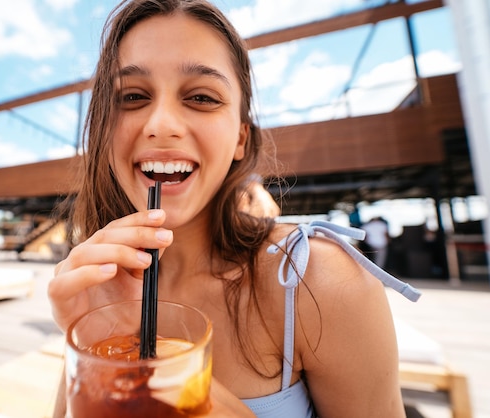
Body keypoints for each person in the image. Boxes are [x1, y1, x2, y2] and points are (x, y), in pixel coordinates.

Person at [48, 1, 420, 417]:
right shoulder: (100, 286)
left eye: (202, 97)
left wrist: (178, 384)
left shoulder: (317, 283)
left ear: (241, 137)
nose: (162, 123)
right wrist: (97, 349)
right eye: (133, 96)